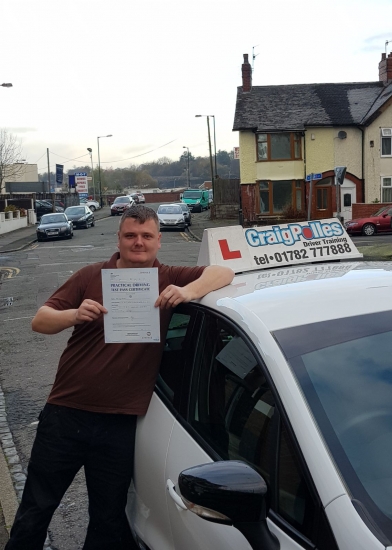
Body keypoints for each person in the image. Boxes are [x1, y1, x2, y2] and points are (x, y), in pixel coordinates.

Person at [6, 205, 234, 550]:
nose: (138, 242)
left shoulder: (169, 276)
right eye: (130, 235)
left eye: (146, 236)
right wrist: (73, 314)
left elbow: (222, 272)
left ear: (159, 241)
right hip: (66, 414)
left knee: (108, 518)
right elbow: (40, 320)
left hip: (120, 425)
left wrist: (188, 292)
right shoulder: (90, 275)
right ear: (119, 238)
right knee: (36, 509)